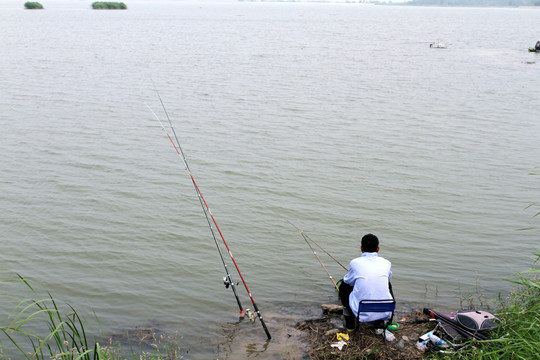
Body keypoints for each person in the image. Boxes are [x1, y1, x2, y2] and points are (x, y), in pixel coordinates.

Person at [339, 233, 393, 328]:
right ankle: (379, 322)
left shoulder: (355, 262)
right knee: (387, 284)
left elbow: (348, 281)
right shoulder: (386, 263)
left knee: (343, 285)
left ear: (361, 248)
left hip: (361, 311)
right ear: (378, 249)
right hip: (385, 310)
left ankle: (350, 322)